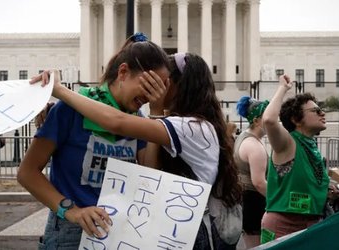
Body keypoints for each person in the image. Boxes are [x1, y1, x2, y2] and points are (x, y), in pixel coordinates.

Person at [40, 52, 242, 250]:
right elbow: (150, 173)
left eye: (162, 82)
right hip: (173, 229)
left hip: (190, 231)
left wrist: (61, 91)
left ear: (176, 86)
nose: (155, 90)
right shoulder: (185, 125)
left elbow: (117, 122)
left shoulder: (191, 127)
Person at [17, 33, 170, 250]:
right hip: (71, 231)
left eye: (160, 88)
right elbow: (27, 172)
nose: (152, 95)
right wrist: (71, 211)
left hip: (118, 229)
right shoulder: (69, 110)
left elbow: (150, 174)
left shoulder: (138, 122)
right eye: (149, 84)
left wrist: (156, 114)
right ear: (123, 72)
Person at [260, 75, 330, 244]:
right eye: (315, 110)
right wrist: (283, 88)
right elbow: (269, 120)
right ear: (295, 119)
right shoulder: (289, 142)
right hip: (284, 226)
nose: (322, 113)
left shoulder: (310, 145)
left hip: (310, 224)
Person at [234, 96, 269, 248]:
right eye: (267, 117)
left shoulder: (245, 137)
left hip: (248, 200)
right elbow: (259, 183)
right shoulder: (253, 145)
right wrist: (280, 202)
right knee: (257, 246)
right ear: (256, 121)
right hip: (255, 202)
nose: (273, 120)